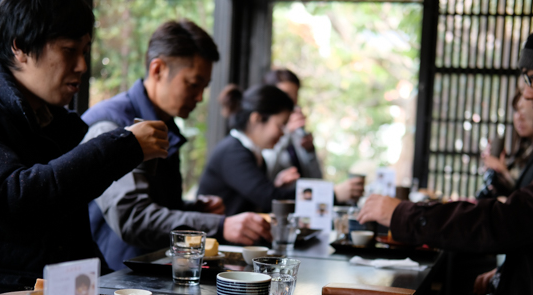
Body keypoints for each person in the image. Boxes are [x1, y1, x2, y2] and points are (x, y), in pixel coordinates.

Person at [357, 9, 533, 295]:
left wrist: (402, 214)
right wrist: (508, 272)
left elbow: (514, 219)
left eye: (532, 77)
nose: (526, 92)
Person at [0, 0, 169, 295]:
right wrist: (125, 146)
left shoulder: (57, 124)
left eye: (85, 51)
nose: (82, 66)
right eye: (68, 51)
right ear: (20, 47)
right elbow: (10, 197)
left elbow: (73, 242)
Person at [82, 20, 271, 271]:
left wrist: (193, 209)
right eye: (193, 84)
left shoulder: (166, 125)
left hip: (153, 272)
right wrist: (220, 226)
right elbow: (133, 218)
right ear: (158, 69)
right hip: (115, 284)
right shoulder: (112, 126)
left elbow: (155, 206)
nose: (200, 97)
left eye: (204, 87)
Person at [262, 68, 365, 204]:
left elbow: (316, 179)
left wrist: (310, 152)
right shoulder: (262, 131)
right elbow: (265, 173)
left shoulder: (297, 133)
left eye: (295, 97)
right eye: (285, 96)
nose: (291, 103)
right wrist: (285, 132)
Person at [197, 84, 297, 216]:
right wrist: (324, 194)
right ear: (256, 118)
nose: (283, 133)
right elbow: (268, 199)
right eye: (280, 125)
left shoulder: (251, 153)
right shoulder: (233, 153)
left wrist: (275, 187)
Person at [477, 86, 533, 200]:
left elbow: (528, 194)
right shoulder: (523, 149)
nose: (519, 118)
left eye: (524, 111)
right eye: (516, 111)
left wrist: (502, 170)